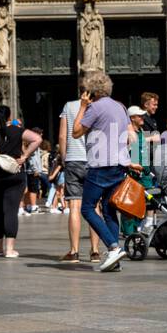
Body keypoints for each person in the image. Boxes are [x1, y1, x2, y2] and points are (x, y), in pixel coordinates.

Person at [73, 69, 136, 273]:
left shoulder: (96, 108)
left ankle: (113, 247)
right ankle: (114, 259)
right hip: (119, 164)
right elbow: (130, 136)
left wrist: (82, 107)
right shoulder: (121, 107)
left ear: (92, 90)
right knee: (109, 210)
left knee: (87, 208)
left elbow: (75, 132)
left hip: (101, 164)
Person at [0, 104, 41, 257]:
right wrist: (25, 156)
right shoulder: (18, 131)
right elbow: (37, 139)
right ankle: (10, 249)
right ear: (10, 117)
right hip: (14, 175)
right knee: (10, 211)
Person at [58, 82, 101, 263]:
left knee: (74, 207)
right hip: (94, 161)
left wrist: (63, 157)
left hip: (73, 160)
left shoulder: (68, 106)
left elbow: (62, 135)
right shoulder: (98, 108)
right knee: (95, 207)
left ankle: (74, 251)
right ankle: (95, 251)